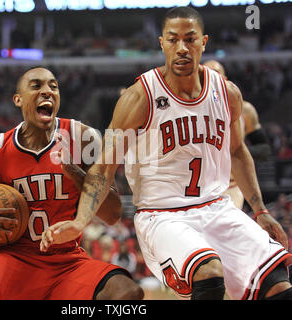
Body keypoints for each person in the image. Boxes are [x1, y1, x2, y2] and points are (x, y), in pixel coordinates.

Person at [40, 7, 292, 300]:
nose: (182, 48)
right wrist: (80, 222)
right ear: (162, 43)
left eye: (190, 39)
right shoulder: (139, 97)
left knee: (278, 283)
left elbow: (238, 151)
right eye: (173, 40)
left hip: (217, 206)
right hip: (162, 215)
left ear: (203, 42)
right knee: (208, 273)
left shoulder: (228, 93)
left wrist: (260, 211)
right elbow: (103, 167)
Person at [0, 66, 143, 300]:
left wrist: (75, 172)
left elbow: (113, 214)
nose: (47, 91)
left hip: (66, 261)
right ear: (18, 99)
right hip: (9, 258)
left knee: (127, 293)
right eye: (36, 86)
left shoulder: (83, 139)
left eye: (53, 86)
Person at [203, 59, 271, 209]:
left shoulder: (245, 110)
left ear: (224, 80)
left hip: (232, 186)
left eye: (215, 74)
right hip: (199, 188)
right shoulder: (187, 111)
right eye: (205, 75)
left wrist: (235, 152)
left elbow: (264, 150)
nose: (210, 78)